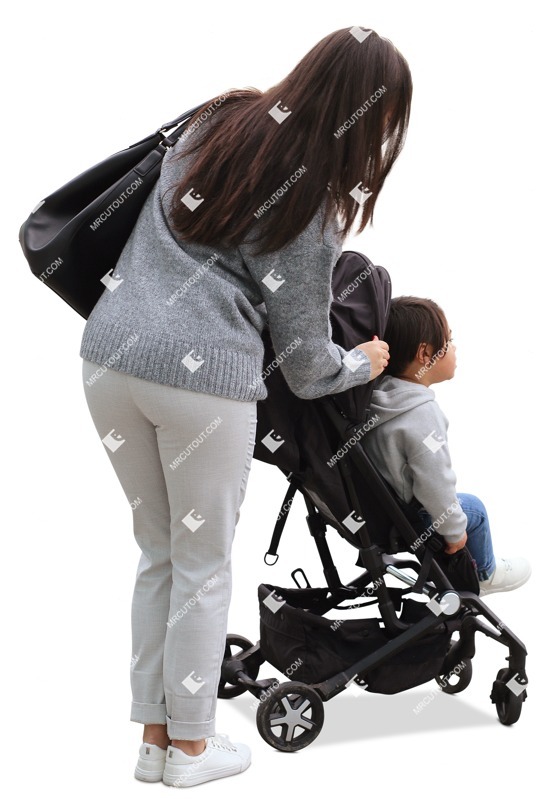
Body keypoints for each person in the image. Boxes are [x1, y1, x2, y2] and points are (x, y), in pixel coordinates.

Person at [79, 26, 412, 788]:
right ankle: (191, 752)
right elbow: (305, 365)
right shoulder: (313, 208)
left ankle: (155, 740)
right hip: (200, 384)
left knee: (160, 555)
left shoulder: (215, 118)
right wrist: (361, 359)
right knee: (200, 566)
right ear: (369, 117)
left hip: (107, 360)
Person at [364, 296, 531, 596]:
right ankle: (483, 573)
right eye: (449, 341)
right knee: (474, 510)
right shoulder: (420, 414)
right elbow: (435, 484)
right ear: (425, 353)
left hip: (379, 510)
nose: (454, 348)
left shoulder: (378, 397)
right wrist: (454, 532)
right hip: (412, 517)